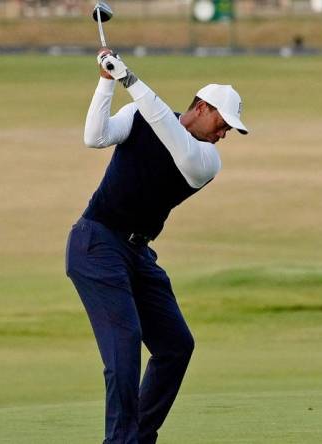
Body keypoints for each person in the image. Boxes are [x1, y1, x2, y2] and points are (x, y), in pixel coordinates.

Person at [65, 48, 248, 444]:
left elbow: (168, 128)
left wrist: (130, 78)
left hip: (137, 253)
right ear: (201, 106)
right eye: (222, 122)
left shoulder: (205, 160)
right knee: (125, 343)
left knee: (176, 346)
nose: (224, 133)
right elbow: (94, 136)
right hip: (95, 242)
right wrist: (106, 81)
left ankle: (138, 437)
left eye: (230, 129)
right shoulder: (138, 116)